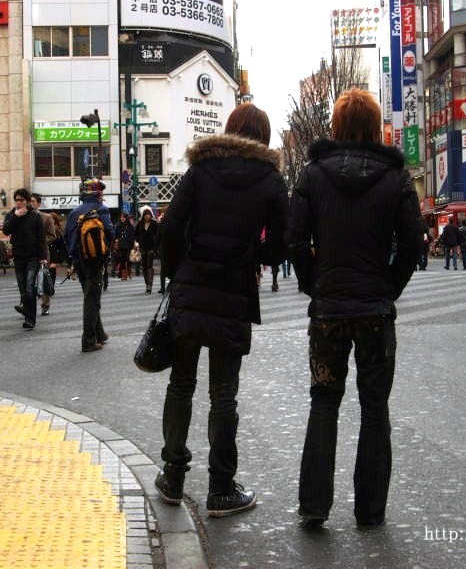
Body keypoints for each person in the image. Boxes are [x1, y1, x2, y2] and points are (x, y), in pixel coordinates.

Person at [287, 88, 424, 529]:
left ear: (336, 127)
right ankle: (370, 509)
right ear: (374, 127)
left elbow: (294, 240)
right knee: (374, 406)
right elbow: (413, 243)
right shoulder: (396, 177)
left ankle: (314, 505)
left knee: (323, 402)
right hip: (374, 310)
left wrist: (314, 284)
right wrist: (389, 287)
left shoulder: (312, 175)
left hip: (329, 307)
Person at [155, 102, 288, 518]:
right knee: (223, 395)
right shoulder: (269, 179)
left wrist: (181, 271)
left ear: (229, 130)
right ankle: (221, 487)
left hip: (192, 289)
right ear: (263, 138)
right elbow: (282, 242)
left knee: (180, 383)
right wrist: (253, 255)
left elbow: (170, 229)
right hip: (233, 293)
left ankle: (173, 476)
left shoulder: (200, 170)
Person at [65, 178, 113, 351]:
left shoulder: (74, 213)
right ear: (98, 193)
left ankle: (100, 333)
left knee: (90, 295)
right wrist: (105, 255)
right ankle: (89, 341)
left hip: (80, 260)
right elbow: (109, 233)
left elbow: (67, 237)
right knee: (92, 300)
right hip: (95, 261)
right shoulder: (102, 210)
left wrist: (72, 259)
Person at [3, 188, 47, 330]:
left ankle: (30, 319)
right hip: (18, 257)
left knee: (29, 288)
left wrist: (43, 257)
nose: (19, 203)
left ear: (27, 201)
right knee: (23, 291)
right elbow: (5, 230)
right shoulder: (12, 215)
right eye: (16, 200)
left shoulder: (35, 216)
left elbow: (41, 238)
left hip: (33, 257)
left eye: (21, 200)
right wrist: (15, 216)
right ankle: (28, 314)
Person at [30, 193, 56, 315]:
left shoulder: (46, 217)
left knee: (43, 277)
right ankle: (25, 304)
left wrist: (39, 241)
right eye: (29, 201)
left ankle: (45, 304)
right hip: (28, 253)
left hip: (43, 253)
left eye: (33, 201)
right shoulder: (23, 217)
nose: (31, 203)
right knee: (28, 279)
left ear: (39, 203)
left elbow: (52, 236)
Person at [134, 207, 159, 294]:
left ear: (151, 215)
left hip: (151, 248)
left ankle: (149, 286)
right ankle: (147, 284)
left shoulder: (154, 224)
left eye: (148, 215)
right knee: (144, 266)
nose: (147, 216)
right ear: (143, 216)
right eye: (145, 215)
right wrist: (138, 241)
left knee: (149, 265)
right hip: (143, 248)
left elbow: (158, 235)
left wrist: (156, 246)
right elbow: (135, 234)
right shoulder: (140, 224)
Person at [114, 211, 136, 280]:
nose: (122, 218)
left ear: (126, 218)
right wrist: (116, 240)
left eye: (123, 217)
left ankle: (129, 270)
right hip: (121, 245)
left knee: (128, 259)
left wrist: (132, 243)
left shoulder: (130, 226)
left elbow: (132, 235)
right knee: (122, 260)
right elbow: (116, 235)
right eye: (121, 217)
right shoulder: (118, 226)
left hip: (128, 244)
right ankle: (124, 274)